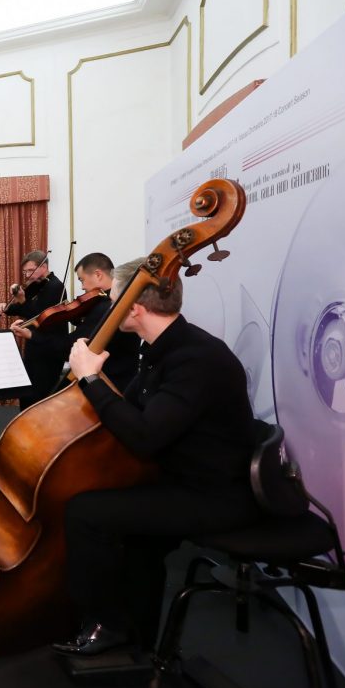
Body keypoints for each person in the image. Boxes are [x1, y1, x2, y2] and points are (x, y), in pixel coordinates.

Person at [53, 257, 262, 657]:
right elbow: (133, 411)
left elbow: (146, 437)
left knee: (84, 512)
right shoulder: (162, 349)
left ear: (134, 307)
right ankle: (135, 633)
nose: (108, 311)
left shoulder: (195, 358)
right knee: (132, 538)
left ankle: (108, 623)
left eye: (114, 302)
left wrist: (92, 380)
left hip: (215, 495)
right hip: (180, 478)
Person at [0, 250, 68, 410]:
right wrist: (5, 308)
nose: (27, 275)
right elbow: (24, 307)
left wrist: (22, 300)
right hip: (34, 347)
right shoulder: (38, 284)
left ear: (44, 266)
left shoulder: (55, 286)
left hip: (48, 351)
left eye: (30, 270)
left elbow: (38, 318)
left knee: (38, 399)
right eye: (25, 271)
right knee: (26, 394)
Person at [68, 252, 140, 392]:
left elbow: (78, 343)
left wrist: (36, 336)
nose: (82, 287)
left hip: (110, 383)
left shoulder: (105, 305)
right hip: (126, 375)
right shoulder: (107, 302)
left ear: (98, 274)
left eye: (82, 280)